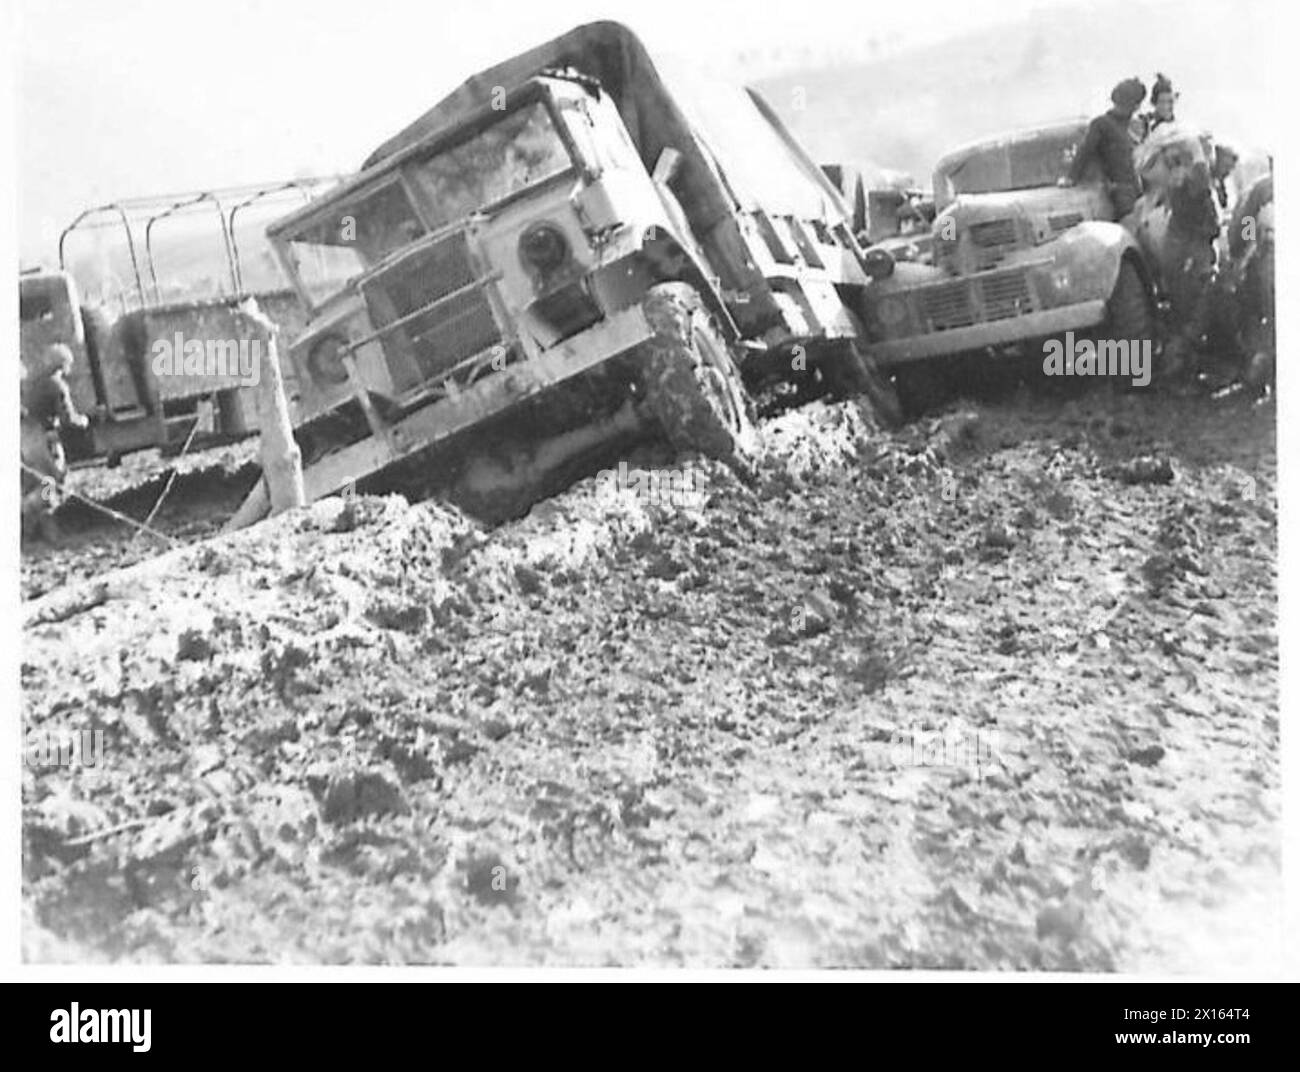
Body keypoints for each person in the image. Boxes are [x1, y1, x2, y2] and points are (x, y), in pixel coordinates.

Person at [1060, 77, 1146, 218]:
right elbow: (1085, 151)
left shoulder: (1128, 128)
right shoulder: (1102, 125)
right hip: (1120, 194)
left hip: (1133, 192)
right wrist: (1071, 177)